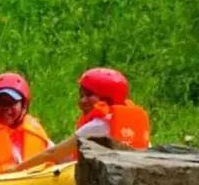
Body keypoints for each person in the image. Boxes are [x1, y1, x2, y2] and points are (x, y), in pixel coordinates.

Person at [13, 67, 150, 171]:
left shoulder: (98, 126)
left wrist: (16, 170)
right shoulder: (132, 121)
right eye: (81, 95)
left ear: (106, 98)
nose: (82, 101)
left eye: (89, 95)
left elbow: (52, 153)